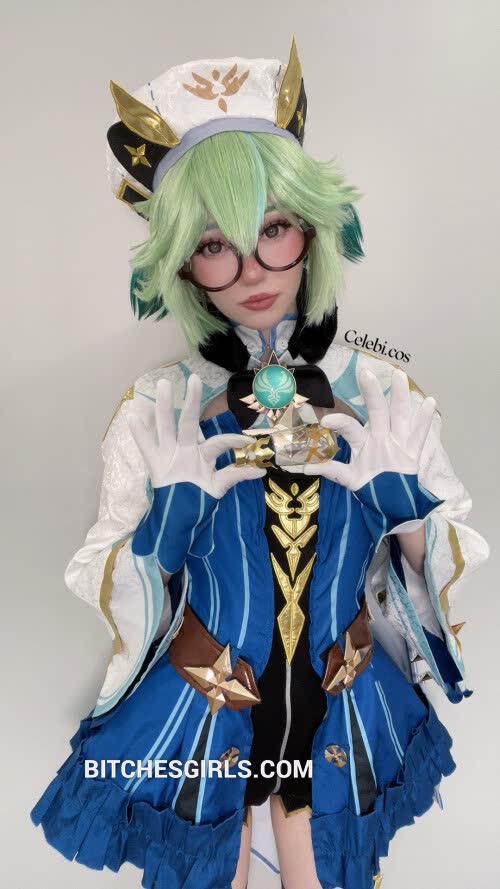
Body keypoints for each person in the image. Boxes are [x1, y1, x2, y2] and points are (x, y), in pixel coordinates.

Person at [30, 40, 489, 889]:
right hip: (200, 712)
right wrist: (167, 523)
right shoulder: (157, 410)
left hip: (346, 702)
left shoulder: (385, 396)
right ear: (181, 261)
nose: (250, 271)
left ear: (312, 229)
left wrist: (407, 513)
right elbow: (112, 580)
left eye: (273, 228)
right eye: (214, 243)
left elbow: (446, 566)